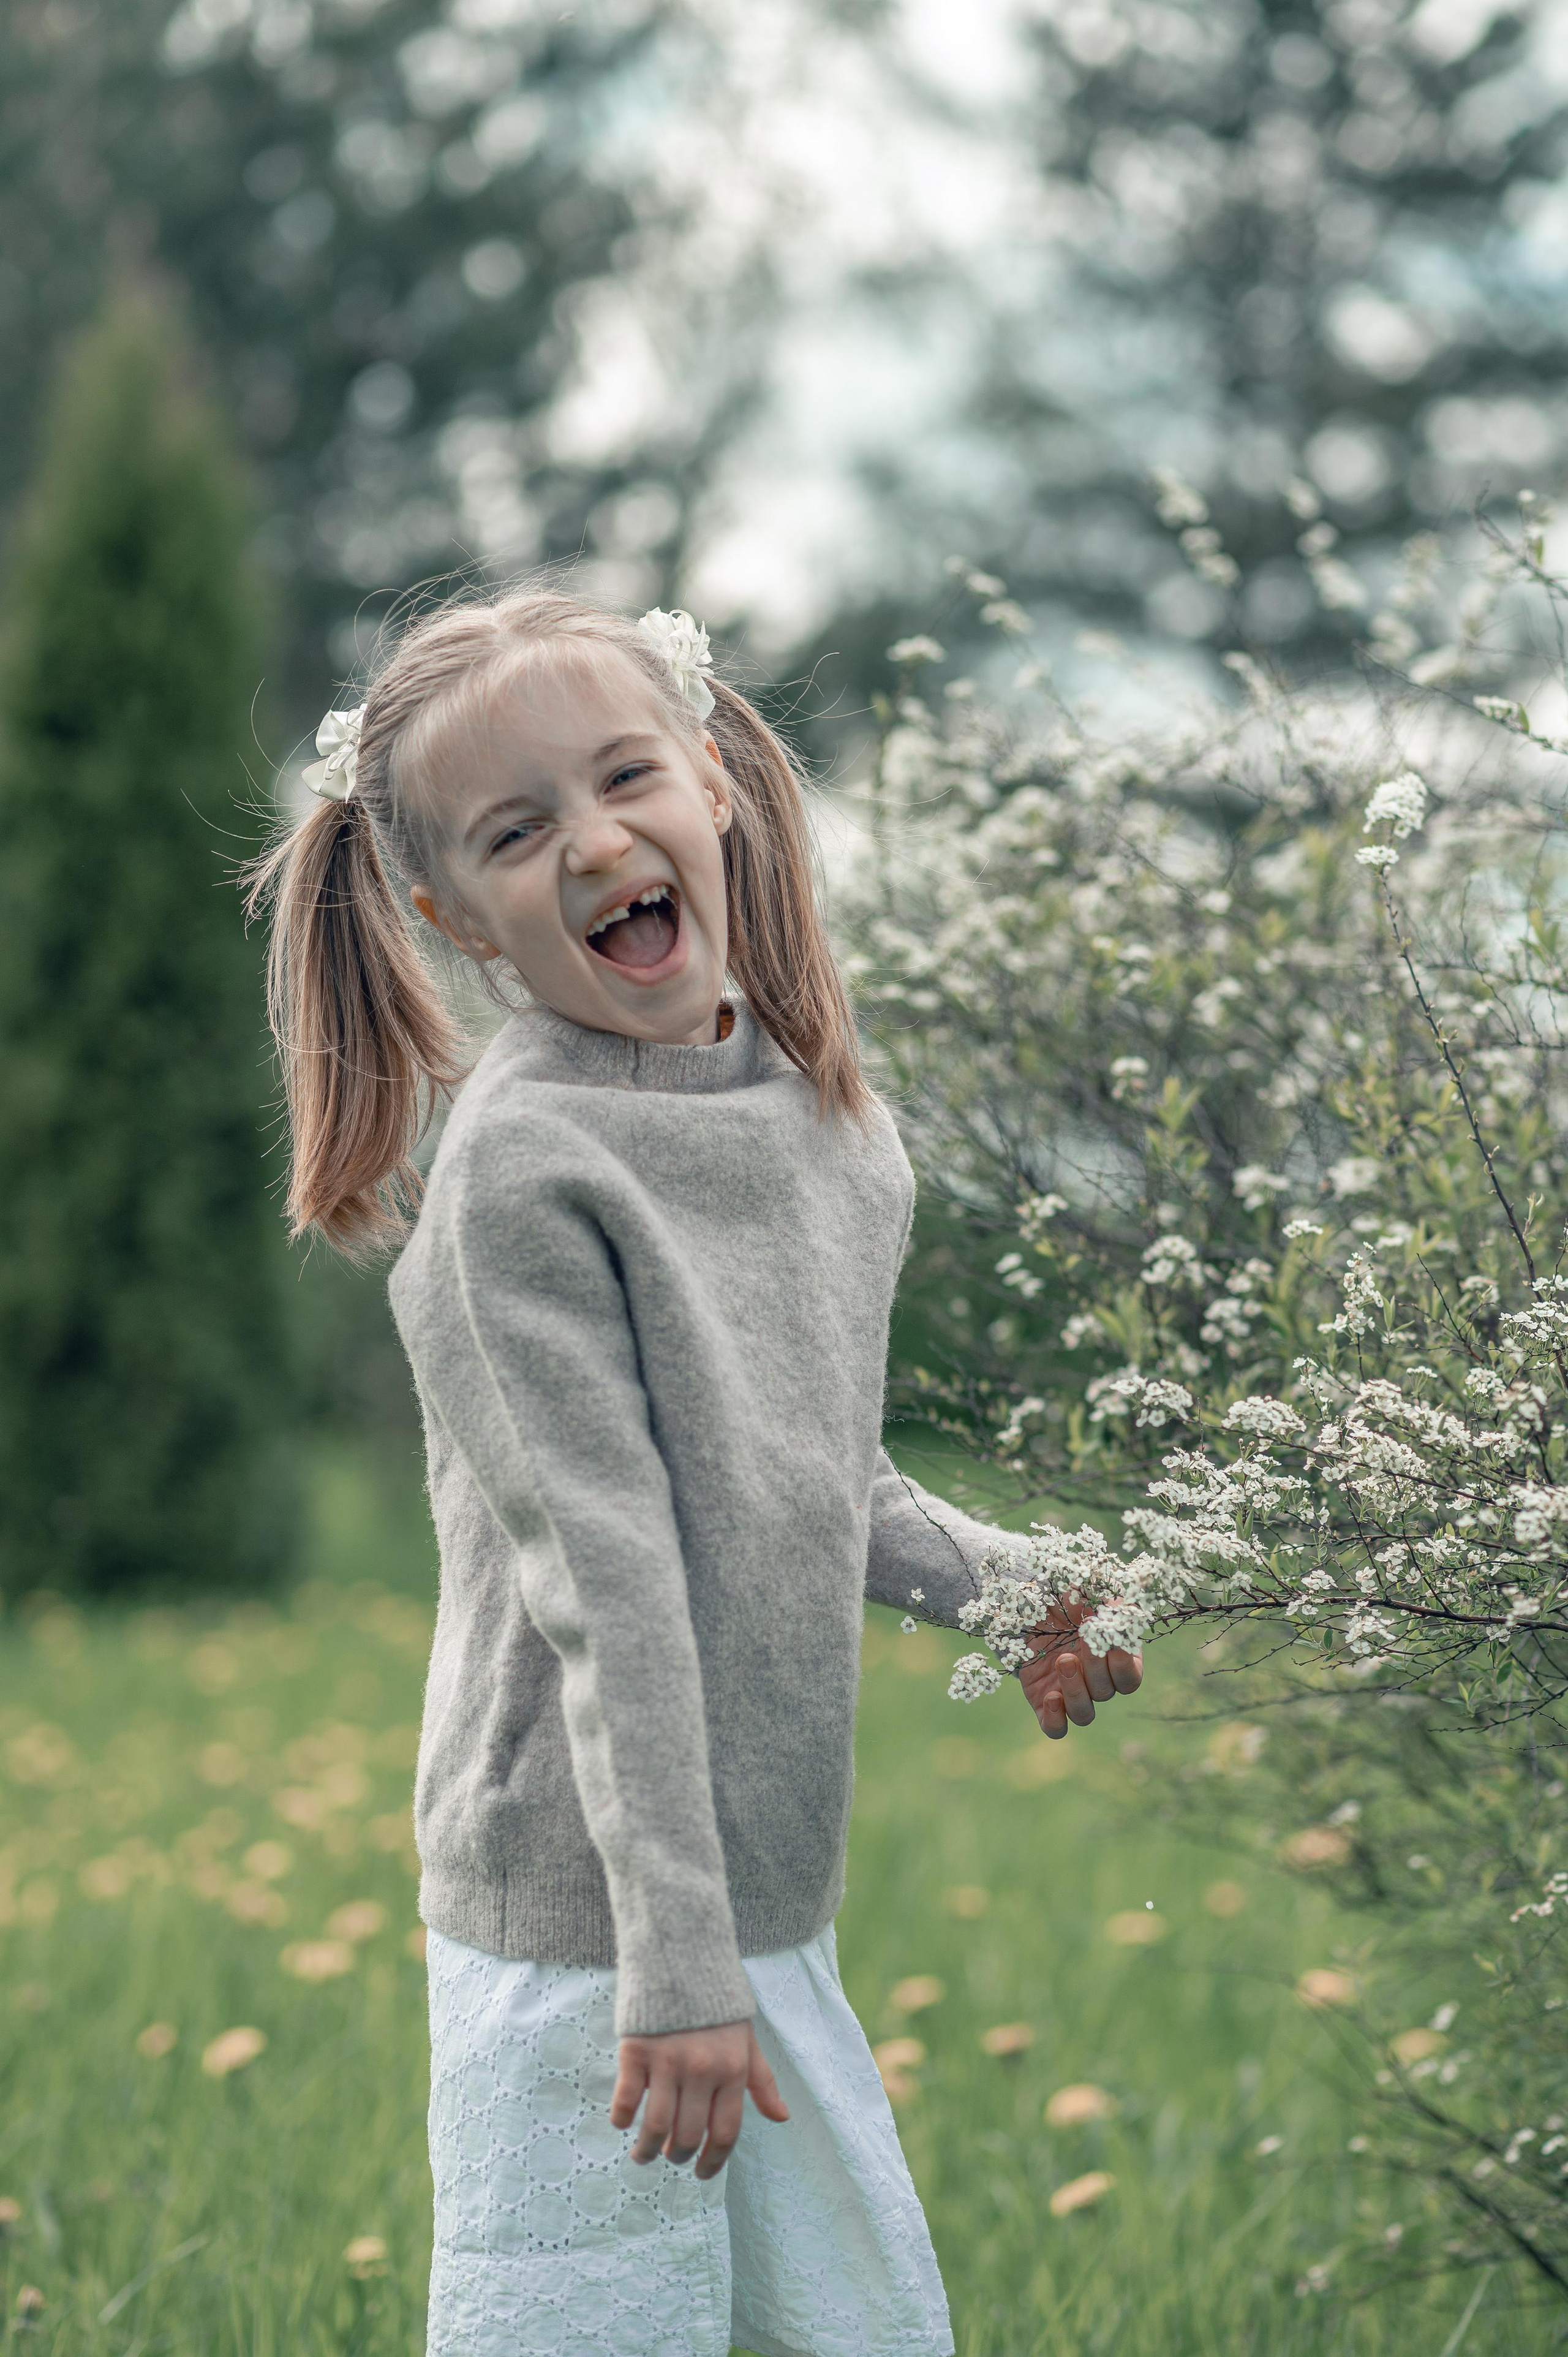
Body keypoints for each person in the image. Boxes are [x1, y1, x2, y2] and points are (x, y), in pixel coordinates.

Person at [248, 589, 1144, 2357]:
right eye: (518, 830)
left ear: (715, 780)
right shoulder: (529, 1173)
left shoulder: (826, 1124)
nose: (594, 843)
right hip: (590, 1925)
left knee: (865, 2323)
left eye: (622, 778)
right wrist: (668, 1963)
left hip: (760, 1885)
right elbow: (612, 1579)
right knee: (594, 2327)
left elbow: (815, 1485)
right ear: (450, 913)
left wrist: (1031, 1592)